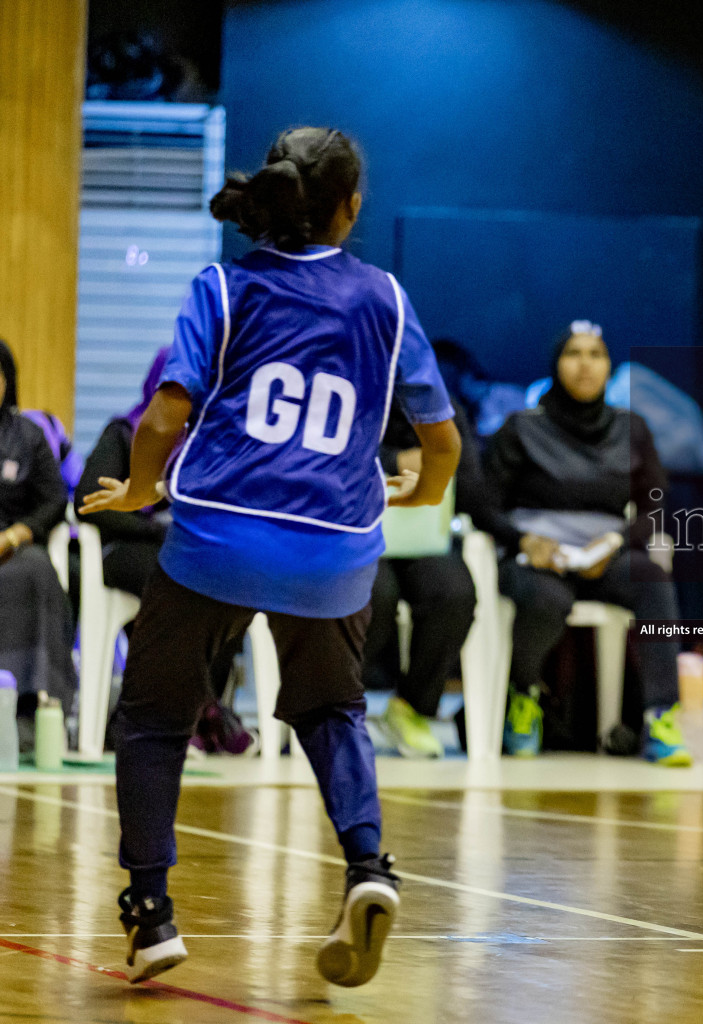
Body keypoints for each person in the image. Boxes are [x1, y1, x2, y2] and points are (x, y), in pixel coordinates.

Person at [80, 127, 461, 985]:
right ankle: (368, 868)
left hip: (220, 533)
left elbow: (163, 418)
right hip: (332, 545)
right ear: (350, 208)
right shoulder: (386, 299)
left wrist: (142, 489)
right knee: (333, 711)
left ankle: (152, 914)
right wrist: (426, 492)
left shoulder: (226, 285)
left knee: (152, 718)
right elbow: (440, 440)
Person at [483, 323, 691, 766]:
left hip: (603, 555)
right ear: (556, 365)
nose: (585, 364)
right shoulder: (522, 427)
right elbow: (484, 504)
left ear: (608, 366)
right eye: (573, 353)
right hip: (537, 557)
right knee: (546, 599)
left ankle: (661, 715)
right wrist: (523, 540)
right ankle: (523, 698)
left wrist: (615, 541)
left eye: (595, 354)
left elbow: (654, 508)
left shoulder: (631, 428)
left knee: (653, 577)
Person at [76, 348, 254, 756]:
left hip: (185, 551)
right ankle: (196, 710)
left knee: (226, 583)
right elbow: (87, 500)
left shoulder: (207, 445)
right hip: (126, 550)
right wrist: (153, 529)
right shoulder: (124, 433)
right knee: (176, 582)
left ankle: (195, 708)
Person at [365, 396, 490, 758]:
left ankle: (413, 706)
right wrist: (394, 462)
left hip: (423, 533)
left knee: (453, 592)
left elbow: (471, 484)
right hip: (355, 529)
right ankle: (334, 702)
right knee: (374, 594)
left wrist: (438, 466)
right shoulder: (349, 385)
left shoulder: (442, 404)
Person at [0, 339, 76, 719]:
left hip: (12, 546)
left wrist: (16, 534)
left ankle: (25, 705)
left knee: (34, 570)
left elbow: (55, 501)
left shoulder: (28, 436)